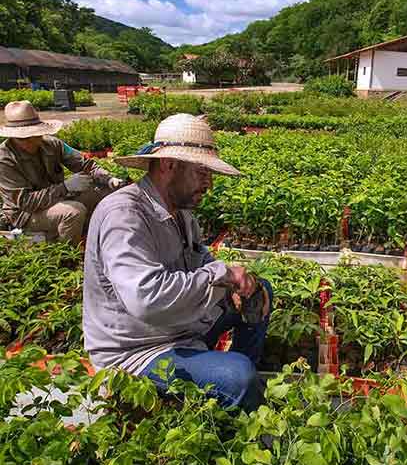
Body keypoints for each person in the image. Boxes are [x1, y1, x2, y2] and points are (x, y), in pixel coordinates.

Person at [82, 113, 271, 411]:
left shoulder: (180, 213)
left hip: (178, 328)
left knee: (258, 291)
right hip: (137, 350)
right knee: (238, 377)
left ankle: (230, 384)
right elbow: (147, 299)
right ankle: (234, 391)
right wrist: (220, 274)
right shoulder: (124, 215)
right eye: (201, 172)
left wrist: (233, 280)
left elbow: (200, 260)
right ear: (169, 165)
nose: (209, 183)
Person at [0, 101, 125, 243]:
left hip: (56, 199)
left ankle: (82, 232)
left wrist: (108, 179)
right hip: (26, 214)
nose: (30, 141)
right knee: (74, 212)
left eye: (34, 135)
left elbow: (85, 164)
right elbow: (25, 202)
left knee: (102, 192)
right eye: (23, 139)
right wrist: (65, 187)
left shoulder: (53, 144)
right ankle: (66, 256)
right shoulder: (5, 160)